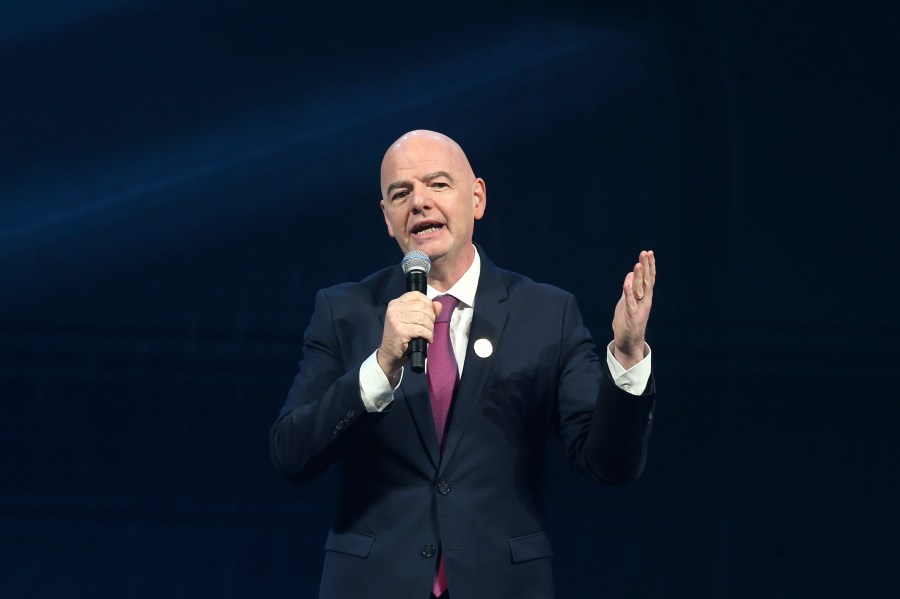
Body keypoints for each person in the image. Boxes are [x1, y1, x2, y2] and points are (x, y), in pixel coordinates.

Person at [270, 130, 656, 599]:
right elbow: (291, 454)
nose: (419, 203)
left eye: (438, 184)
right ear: (387, 219)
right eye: (401, 193)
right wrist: (380, 365)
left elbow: (609, 465)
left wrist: (629, 354)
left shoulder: (546, 314)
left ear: (476, 198)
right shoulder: (344, 311)